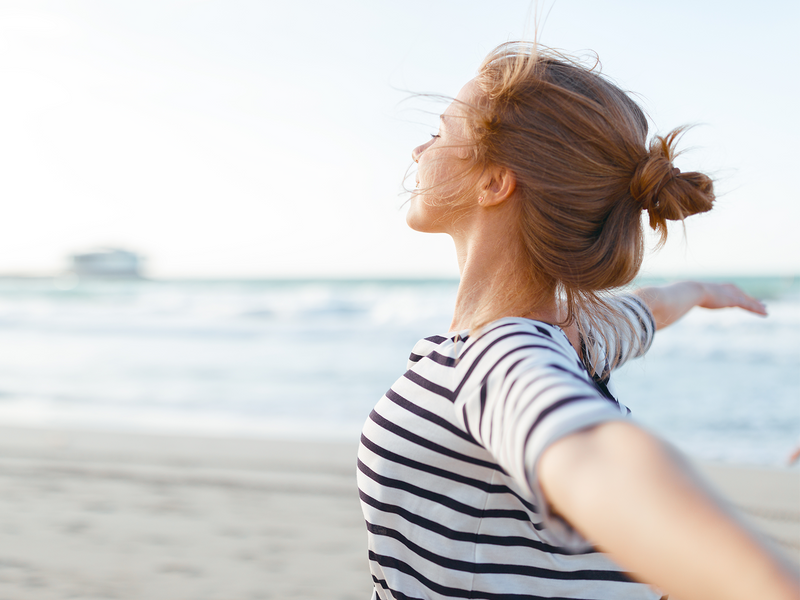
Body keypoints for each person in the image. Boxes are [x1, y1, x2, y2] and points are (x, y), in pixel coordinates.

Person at [357, 42, 799, 600]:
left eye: (441, 133)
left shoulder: (500, 357)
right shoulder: (573, 338)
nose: (420, 149)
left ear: (495, 182)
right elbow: (649, 309)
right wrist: (702, 291)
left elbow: (595, 459)